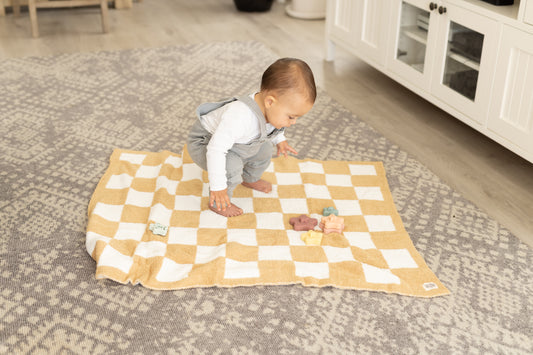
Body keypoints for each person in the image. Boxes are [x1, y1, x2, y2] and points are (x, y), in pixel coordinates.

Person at [187, 58, 316, 217]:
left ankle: (249, 178)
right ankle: (218, 202)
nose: (294, 122)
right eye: (291, 117)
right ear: (270, 102)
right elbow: (215, 150)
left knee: (265, 149)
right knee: (231, 167)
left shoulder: (270, 109)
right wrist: (218, 186)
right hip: (206, 142)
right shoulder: (239, 117)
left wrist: (279, 139)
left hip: (238, 142)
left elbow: (271, 125)